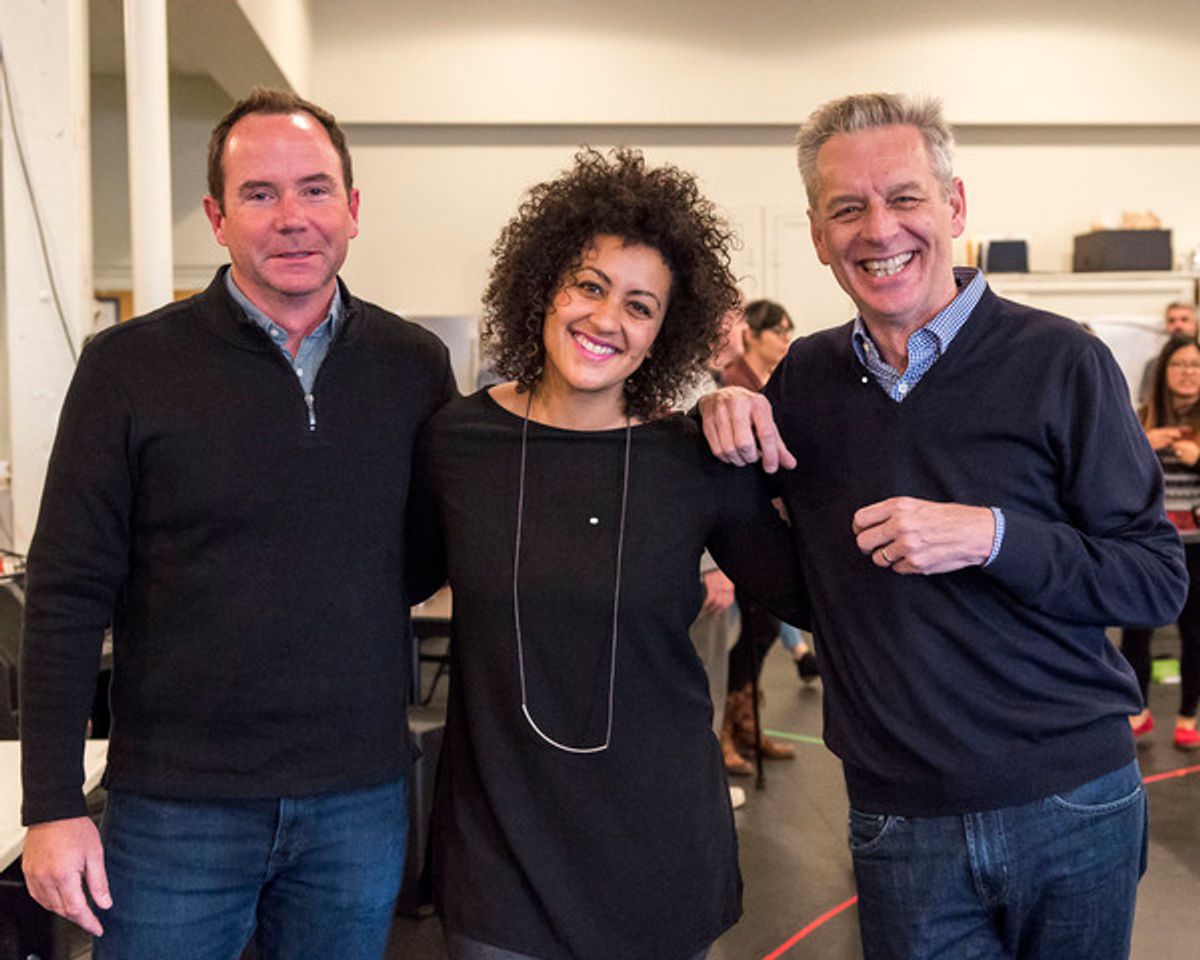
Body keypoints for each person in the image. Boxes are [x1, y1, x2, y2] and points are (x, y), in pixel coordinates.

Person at [699, 92, 1186, 960]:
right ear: (818, 234)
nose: (879, 229)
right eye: (847, 207)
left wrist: (993, 536)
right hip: (900, 821)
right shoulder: (805, 382)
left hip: (1073, 802)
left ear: (954, 207)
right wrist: (721, 419)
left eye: (905, 197)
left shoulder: (1061, 361)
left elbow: (1153, 576)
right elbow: (809, 589)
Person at [19, 88, 455, 959]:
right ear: (217, 218)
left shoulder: (413, 365)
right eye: (259, 194)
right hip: (176, 810)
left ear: (354, 209)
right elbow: (66, 595)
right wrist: (52, 806)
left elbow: (425, 553)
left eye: (315, 189)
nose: (292, 218)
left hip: (355, 801)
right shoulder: (128, 368)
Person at [408, 147, 809, 960]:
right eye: (589, 286)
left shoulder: (695, 456)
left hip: (656, 852)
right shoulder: (457, 441)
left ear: (667, 330)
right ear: (545, 284)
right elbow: (383, 579)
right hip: (501, 858)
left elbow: (808, 593)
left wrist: (768, 430)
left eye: (640, 305)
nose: (605, 320)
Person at [1122, 334, 1200, 751]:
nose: (1187, 373)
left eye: (1194, 365)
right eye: (1179, 364)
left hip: (1197, 547)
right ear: (1163, 371)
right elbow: (1113, 479)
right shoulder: (1141, 418)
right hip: (1150, 544)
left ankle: (1189, 714)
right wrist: (1141, 446)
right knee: (1136, 631)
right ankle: (1140, 712)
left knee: (1195, 633)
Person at [1137, 301, 1198, 406]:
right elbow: (1146, 403)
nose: (1178, 325)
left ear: (1196, 324)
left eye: (1184, 320)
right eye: (1171, 321)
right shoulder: (1154, 365)